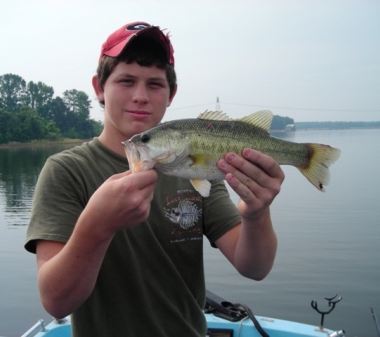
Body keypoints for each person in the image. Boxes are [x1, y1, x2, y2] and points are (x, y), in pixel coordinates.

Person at [25, 21, 284, 337]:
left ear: (171, 93)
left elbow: (254, 267)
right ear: (98, 88)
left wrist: (256, 214)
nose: (140, 96)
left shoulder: (196, 171)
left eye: (155, 84)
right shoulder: (66, 171)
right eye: (126, 80)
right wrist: (98, 225)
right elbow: (56, 303)